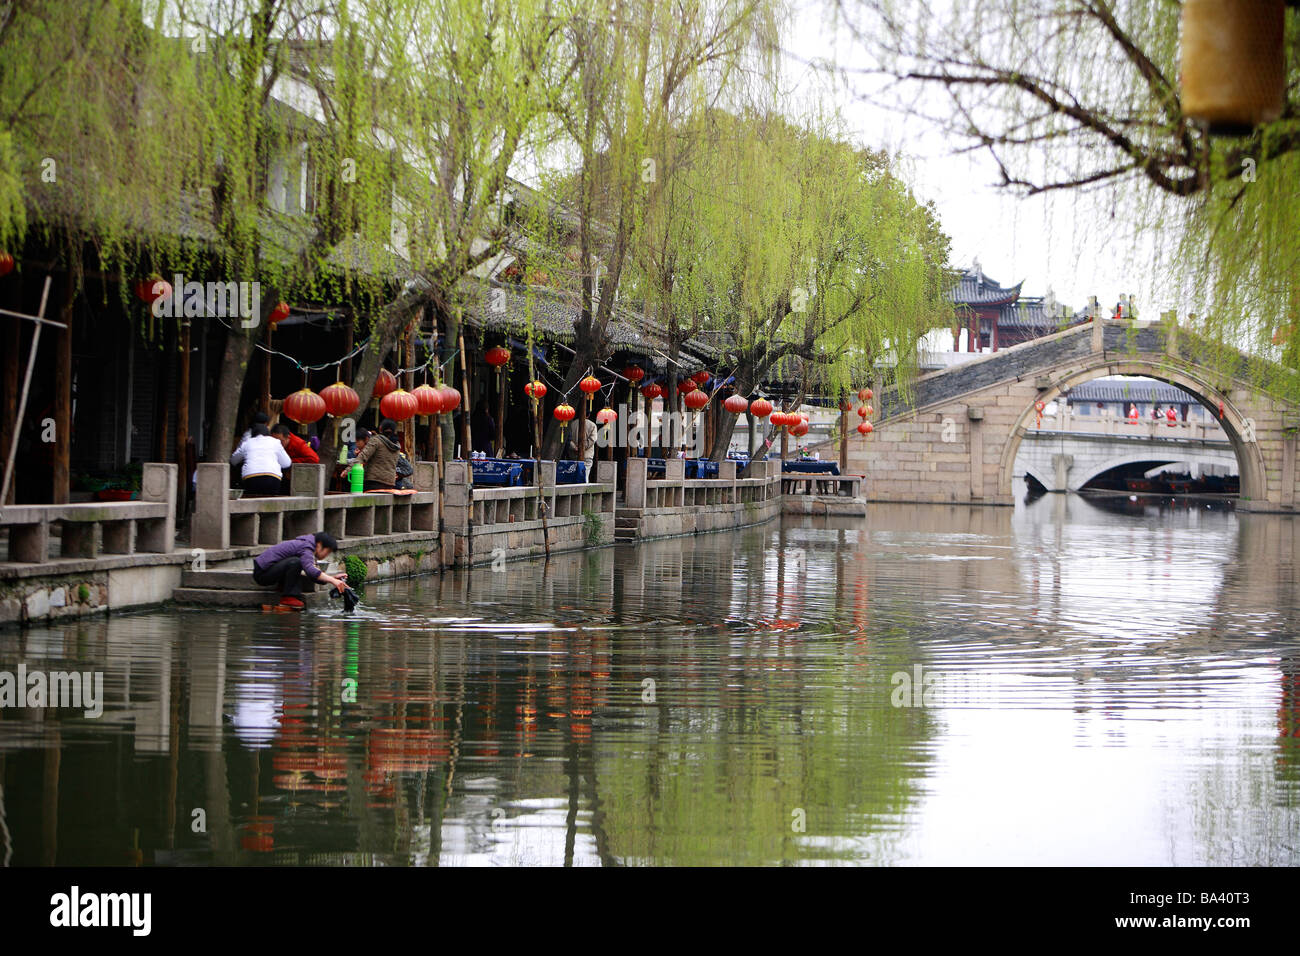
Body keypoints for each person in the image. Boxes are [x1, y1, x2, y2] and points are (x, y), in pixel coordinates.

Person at [252, 531, 347, 608]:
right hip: (262, 574)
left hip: (270, 571)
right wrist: (332, 580)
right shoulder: (306, 547)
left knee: (296, 562)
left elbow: (312, 574)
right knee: (295, 562)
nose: (327, 555)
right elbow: (310, 570)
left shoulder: (308, 547)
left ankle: (285, 588)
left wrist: (333, 578)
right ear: (319, 544)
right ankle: (289, 598)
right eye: (328, 551)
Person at [230, 423, 290, 497]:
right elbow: (287, 463)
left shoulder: (247, 442)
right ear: (268, 434)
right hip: (273, 479)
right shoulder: (275, 442)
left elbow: (233, 461)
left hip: (251, 478)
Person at [350, 419, 401, 490]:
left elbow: (363, 456)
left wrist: (348, 469)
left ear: (380, 428)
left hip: (374, 480)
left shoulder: (376, 440)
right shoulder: (396, 445)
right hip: (390, 482)